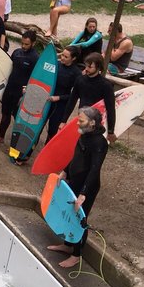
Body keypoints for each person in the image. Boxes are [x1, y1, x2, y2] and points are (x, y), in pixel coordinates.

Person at [47, 107, 109, 269]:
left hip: (87, 186)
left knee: (79, 219)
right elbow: (77, 158)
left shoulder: (100, 143)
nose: (78, 122)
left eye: (81, 120)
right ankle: (68, 245)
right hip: (74, 181)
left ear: (92, 123)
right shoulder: (84, 135)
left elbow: (94, 170)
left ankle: (76, 255)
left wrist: (83, 194)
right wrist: (65, 171)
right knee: (68, 214)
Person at [0, 30, 40, 151]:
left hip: (21, 93)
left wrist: (29, 90)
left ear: (33, 43)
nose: (23, 46)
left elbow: (36, 79)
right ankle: (0, 136)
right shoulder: (16, 53)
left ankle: (27, 143)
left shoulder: (35, 58)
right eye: (22, 43)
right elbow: (6, 69)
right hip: (10, 89)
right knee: (5, 114)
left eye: (26, 44)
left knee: (20, 119)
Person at [63, 52, 117, 143]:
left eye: (90, 67)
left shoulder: (106, 85)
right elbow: (72, 101)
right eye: (86, 66)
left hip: (96, 123)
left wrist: (111, 131)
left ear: (98, 67)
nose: (86, 69)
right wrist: (63, 121)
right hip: (82, 119)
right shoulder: (80, 80)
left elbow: (110, 109)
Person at [44, 46, 81, 141]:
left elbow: (74, 96)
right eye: (62, 55)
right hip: (47, 100)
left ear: (73, 58)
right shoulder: (56, 64)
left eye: (66, 57)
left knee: (52, 131)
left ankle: (47, 152)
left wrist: (59, 97)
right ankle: (28, 152)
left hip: (60, 105)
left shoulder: (76, 73)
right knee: (38, 126)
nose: (62, 58)